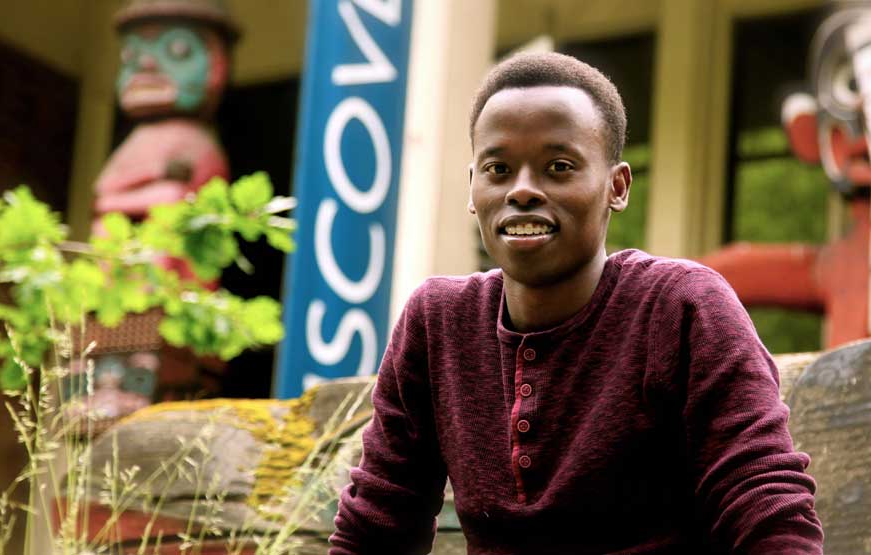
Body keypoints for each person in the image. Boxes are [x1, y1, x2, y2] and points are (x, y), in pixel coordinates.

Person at [329, 52, 824, 555]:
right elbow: (378, 522)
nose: (521, 190)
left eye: (558, 167)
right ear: (472, 188)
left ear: (617, 186)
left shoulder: (680, 308)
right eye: (498, 168)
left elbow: (763, 505)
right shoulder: (437, 323)